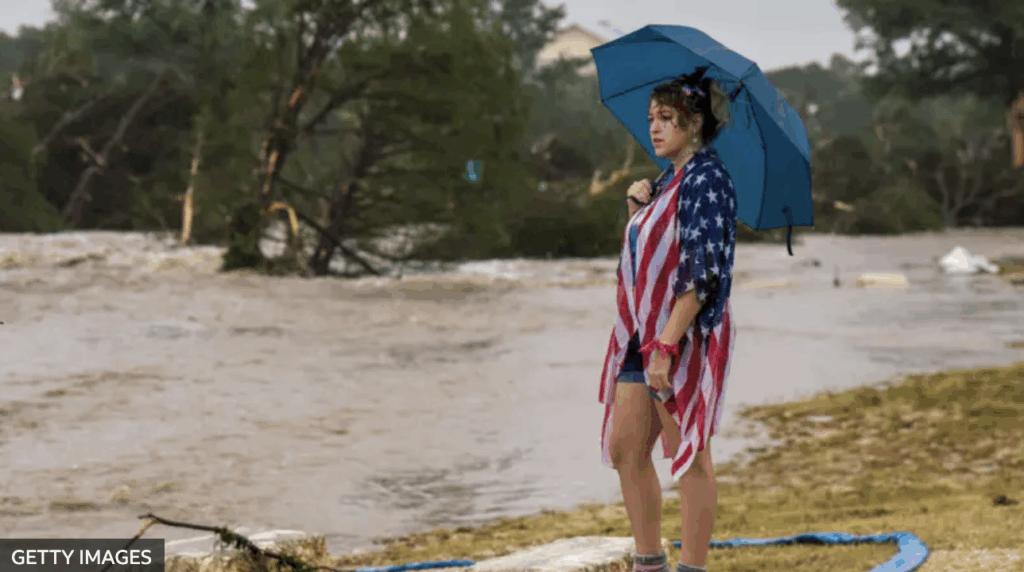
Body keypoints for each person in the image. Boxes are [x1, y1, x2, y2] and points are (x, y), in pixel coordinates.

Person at [597, 68, 737, 572]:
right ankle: (649, 561)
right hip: (642, 333)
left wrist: (668, 345)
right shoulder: (665, 182)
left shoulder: (707, 179)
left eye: (666, 118)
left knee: (688, 454)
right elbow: (643, 265)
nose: (654, 128)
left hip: (682, 334)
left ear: (695, 122)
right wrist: (637, 210)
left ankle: (692, 567)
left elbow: (701, 271)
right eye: (651, 118)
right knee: (625, 448)